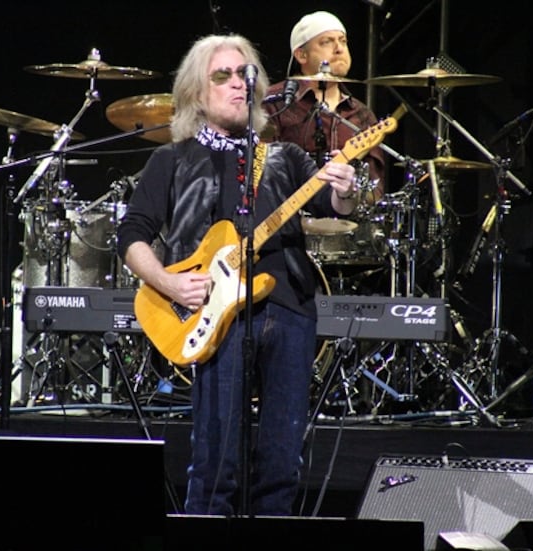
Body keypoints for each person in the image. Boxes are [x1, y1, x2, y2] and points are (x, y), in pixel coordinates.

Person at [117, 33, 360, 517]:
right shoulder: (172, 159)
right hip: (214, 315)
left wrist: (346, 188)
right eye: (222, 75)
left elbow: (334, 205)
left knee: (281, 461)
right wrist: (167, 282)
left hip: (288, 308)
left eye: (246, 75)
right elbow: (132, 237)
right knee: (214, 461)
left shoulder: (284, 157)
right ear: (195, 92)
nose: (237, 84)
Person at [263, 10, 386, 203]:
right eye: (326, 42)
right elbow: (261, 175)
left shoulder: (362, 115)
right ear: (301, 55)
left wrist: (353, 191)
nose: (339, 49)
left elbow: (375, 190)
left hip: (346, 224)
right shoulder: (274, 103)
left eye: (343, 41)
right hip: (286, 220)